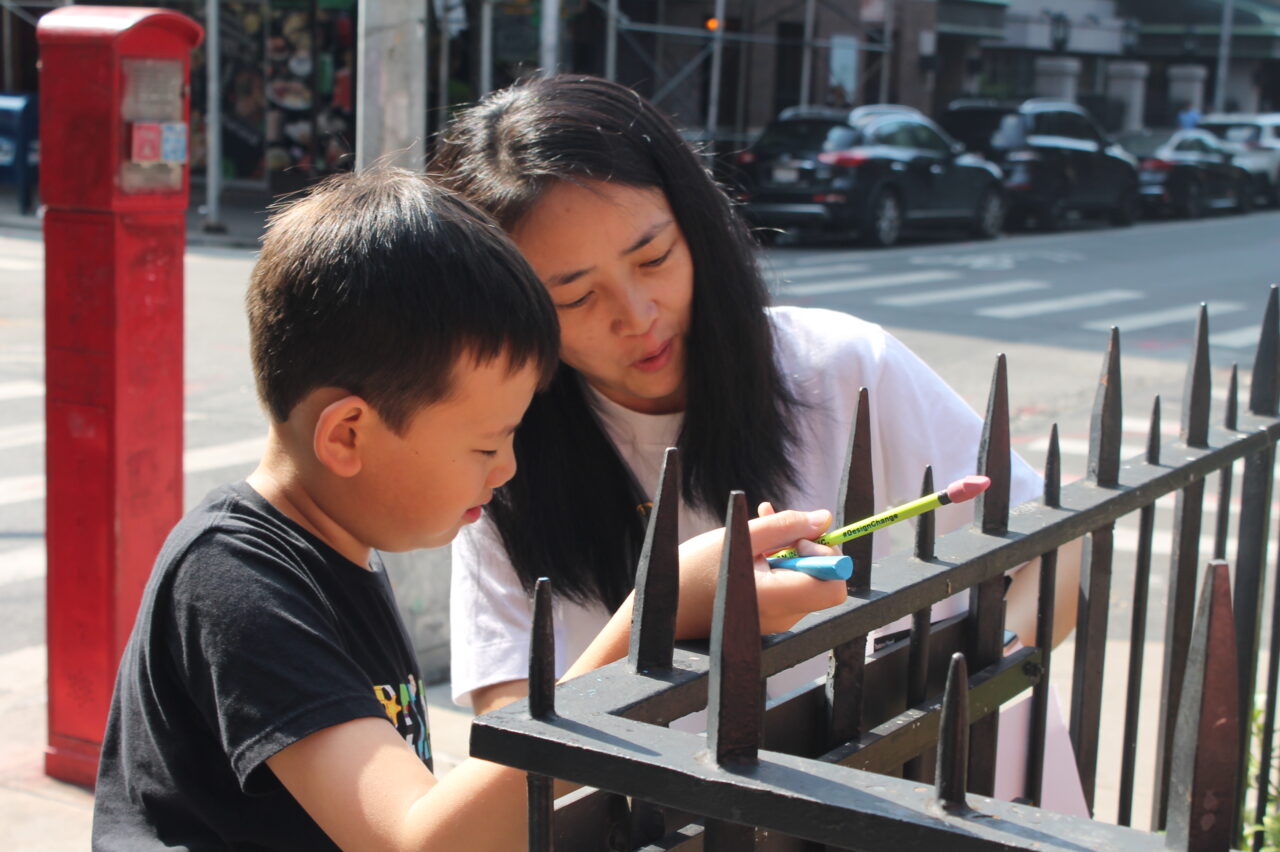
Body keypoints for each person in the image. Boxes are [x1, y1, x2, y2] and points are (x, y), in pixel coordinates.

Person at [90, 168, 846, 851]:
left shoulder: (336, 553)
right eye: (487, 445)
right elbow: (420, 844)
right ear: (348, 434)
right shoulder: (233, 582)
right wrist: (652, 617)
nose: (509, 468)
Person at [430, 73, 1078, 715]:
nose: (636, 314)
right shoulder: (502, 459)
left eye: (654, 258)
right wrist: (664, 614)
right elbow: (509, 725)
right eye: (574, 296)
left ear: (698, 227)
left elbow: (1054, 555)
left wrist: (935, 715)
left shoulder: (840, 367)